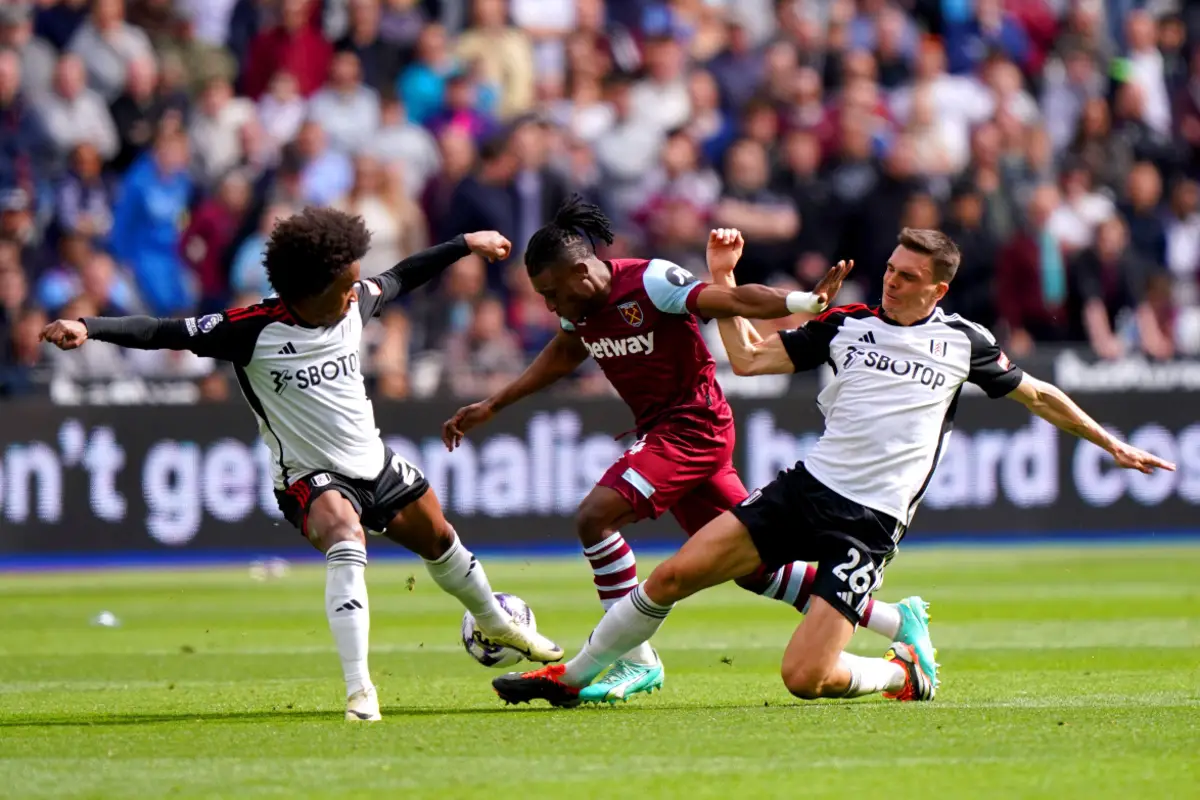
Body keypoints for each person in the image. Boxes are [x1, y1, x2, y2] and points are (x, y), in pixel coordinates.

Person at [491, 227, 1176, 707]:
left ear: (937, 289)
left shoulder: (964, 342)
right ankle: (574, 677)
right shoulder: (848, 324)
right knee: (672, 576)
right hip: (804, 489)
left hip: (868, 524)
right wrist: (725, 280)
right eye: (890, 270)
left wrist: (1107, 442)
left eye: (908, 277)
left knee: (803, 676)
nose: (893, 282)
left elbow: (1039, 395)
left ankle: (900, 674)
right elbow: (752, 358)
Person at [39, 208, 564, 722]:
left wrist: (464, 242)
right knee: (344, 533)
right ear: (308, 291)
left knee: (440, 538)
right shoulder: (249, 329)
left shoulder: (354, 303)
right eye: (344, 286)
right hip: (308, 476)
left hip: (373, 462)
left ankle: (495, 622)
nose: (354, 293)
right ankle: (361, 691)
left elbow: (403, 275)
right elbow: (162, 330)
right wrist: (89, 325)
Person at [443, 197, 934, 704]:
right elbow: (565, 353)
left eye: (551, 293)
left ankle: (635, 662)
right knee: (754, 570)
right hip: (667, 433)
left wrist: (802, 304)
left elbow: (734, 302)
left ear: (580, 272)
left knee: (595, 517)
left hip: (693, 427)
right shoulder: (580, 309)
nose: (549, 305)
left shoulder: (652, 282)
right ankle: (898, 619)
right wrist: (493, 404)